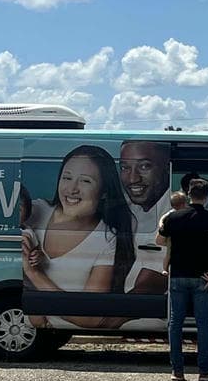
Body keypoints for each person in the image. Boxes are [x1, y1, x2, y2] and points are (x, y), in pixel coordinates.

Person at [23, 145, 134, 327]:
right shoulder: (34, 212)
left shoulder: (107, 239)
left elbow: (91, 317)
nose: (72, 189)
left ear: (105, 191)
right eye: (67, 178)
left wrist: (34, 274)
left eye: (85, 181)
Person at [157, 178, 208, 381]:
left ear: (188, 193)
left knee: (175, 323)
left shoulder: (174, 218)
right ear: (206, 196)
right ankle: (204, 371)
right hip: (201, 277)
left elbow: (159, 240)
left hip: (177, 276)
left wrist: (163, 221)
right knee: (203, 324)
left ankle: (177, 370)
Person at [119, 140, 171, 294]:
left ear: (167, 168)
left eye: (144, 166)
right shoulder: (134, 204)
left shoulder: (170, 212)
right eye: (125, 167)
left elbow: (148, 286)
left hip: (145, 311)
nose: (133, 178)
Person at [160, 190, 188, 276]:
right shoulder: (173, 213)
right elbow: (163, 218)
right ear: (184, 203)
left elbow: (162, 218)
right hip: (171, 237)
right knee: (168, 253)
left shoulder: (172, 213)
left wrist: (161, 225)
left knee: (168, 254)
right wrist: (161, 225)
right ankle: (165, 269)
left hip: (172, 236)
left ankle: (165, 269)